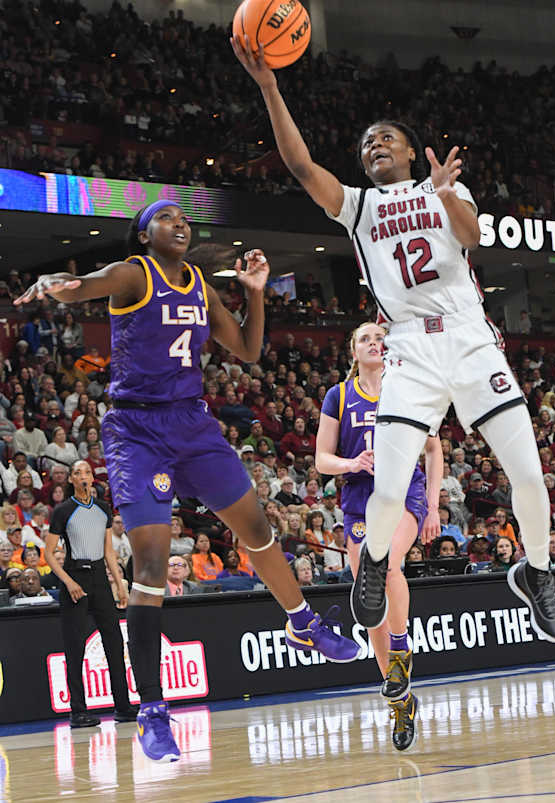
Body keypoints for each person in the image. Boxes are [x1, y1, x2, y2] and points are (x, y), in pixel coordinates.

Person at [233, 36, 555, 652]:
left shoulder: (444, 188)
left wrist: (444, 193)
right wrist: (270, 87)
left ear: (412, 151)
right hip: (408, 345)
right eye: (366, 144)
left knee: (528, 475)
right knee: (388, 489)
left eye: (386, 137)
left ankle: (539, 570)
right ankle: (372, 565)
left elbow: (470, 238)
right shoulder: (358, 207)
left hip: (468, 335)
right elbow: (303, 167)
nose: (374, 145)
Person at [15, 200, 359, 763]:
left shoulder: (200, 284)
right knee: (150, 567)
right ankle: (153, 712)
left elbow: (247, 349)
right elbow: (84, 284)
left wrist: (253, 291)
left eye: (184, 217)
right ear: (145, 234)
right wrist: (55, 283)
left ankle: (302, 622)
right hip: (135, 428)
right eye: (167, 217)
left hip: (192, 422)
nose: (180, 222)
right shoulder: (134, 272)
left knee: (257, 528)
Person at [316, 321, 442, 750]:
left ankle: (403, 651)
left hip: (403, 490)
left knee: (384, 562)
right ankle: (401, 701)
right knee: (370, 609)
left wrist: (435, 503)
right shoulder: (339, 395)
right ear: (353, 351)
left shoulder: (406, 385)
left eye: (378, 337)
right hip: (359, 498)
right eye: (364, 338)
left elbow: (433, 447)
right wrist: (351, 464)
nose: (373, 342)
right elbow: (321, 459)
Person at [43, 461, 136, 728]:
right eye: (78, 473)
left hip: (99, 578)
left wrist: (120, 584)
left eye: (87, 472)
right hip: (75, 575)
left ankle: (123, 705)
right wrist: (69, 582)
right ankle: (77, 711)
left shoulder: (103, 509)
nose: (83, 476)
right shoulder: (63, 511)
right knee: (75, 646)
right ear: (71, 479)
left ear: (92, 478)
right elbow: (49, 553)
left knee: (115, 642)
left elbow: (109, 552)